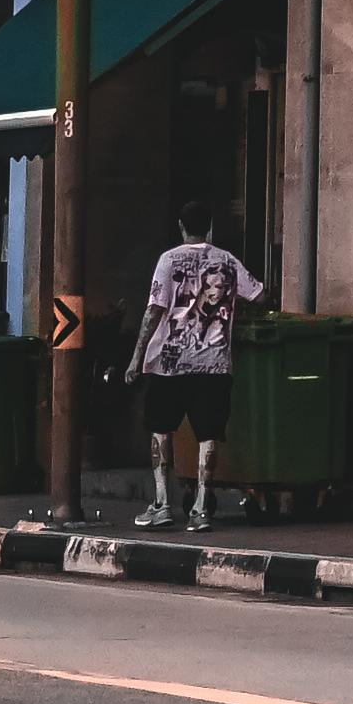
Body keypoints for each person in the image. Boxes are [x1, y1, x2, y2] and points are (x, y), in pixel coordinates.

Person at [124, 210, 258, 531]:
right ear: (210, 227)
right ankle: (200, 508)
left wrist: (136, 357)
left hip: (169, 363)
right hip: (213, 364)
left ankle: (161, 503)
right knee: (208, 434)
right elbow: (257, 292)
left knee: (160, 428)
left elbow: (154, 310)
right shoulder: (227, 261)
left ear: (181, 226)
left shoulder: (169, 260)